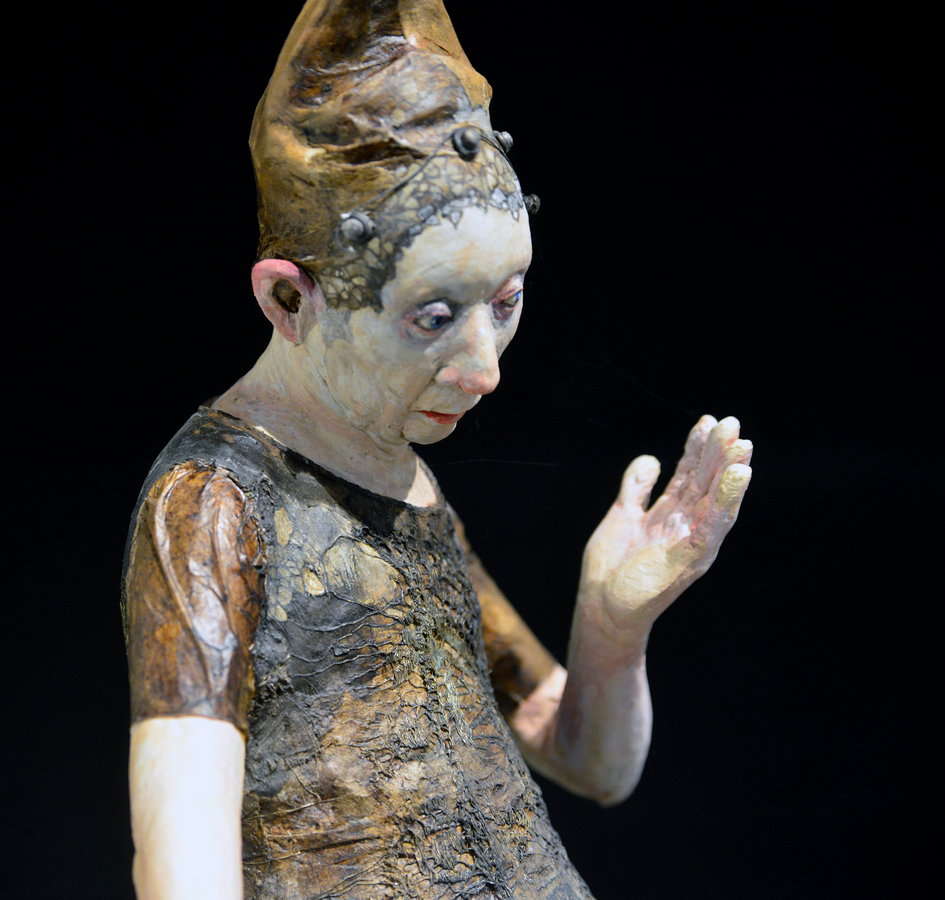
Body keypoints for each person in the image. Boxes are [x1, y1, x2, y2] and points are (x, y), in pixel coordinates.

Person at [121, 2, 753, 898]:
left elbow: (595, 766)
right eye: (433, 317)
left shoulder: (406, 483)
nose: (485, 370)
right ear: (289, 300)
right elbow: (184, 863)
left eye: (505, 303)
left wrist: (612, 623)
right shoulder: (212, 502)